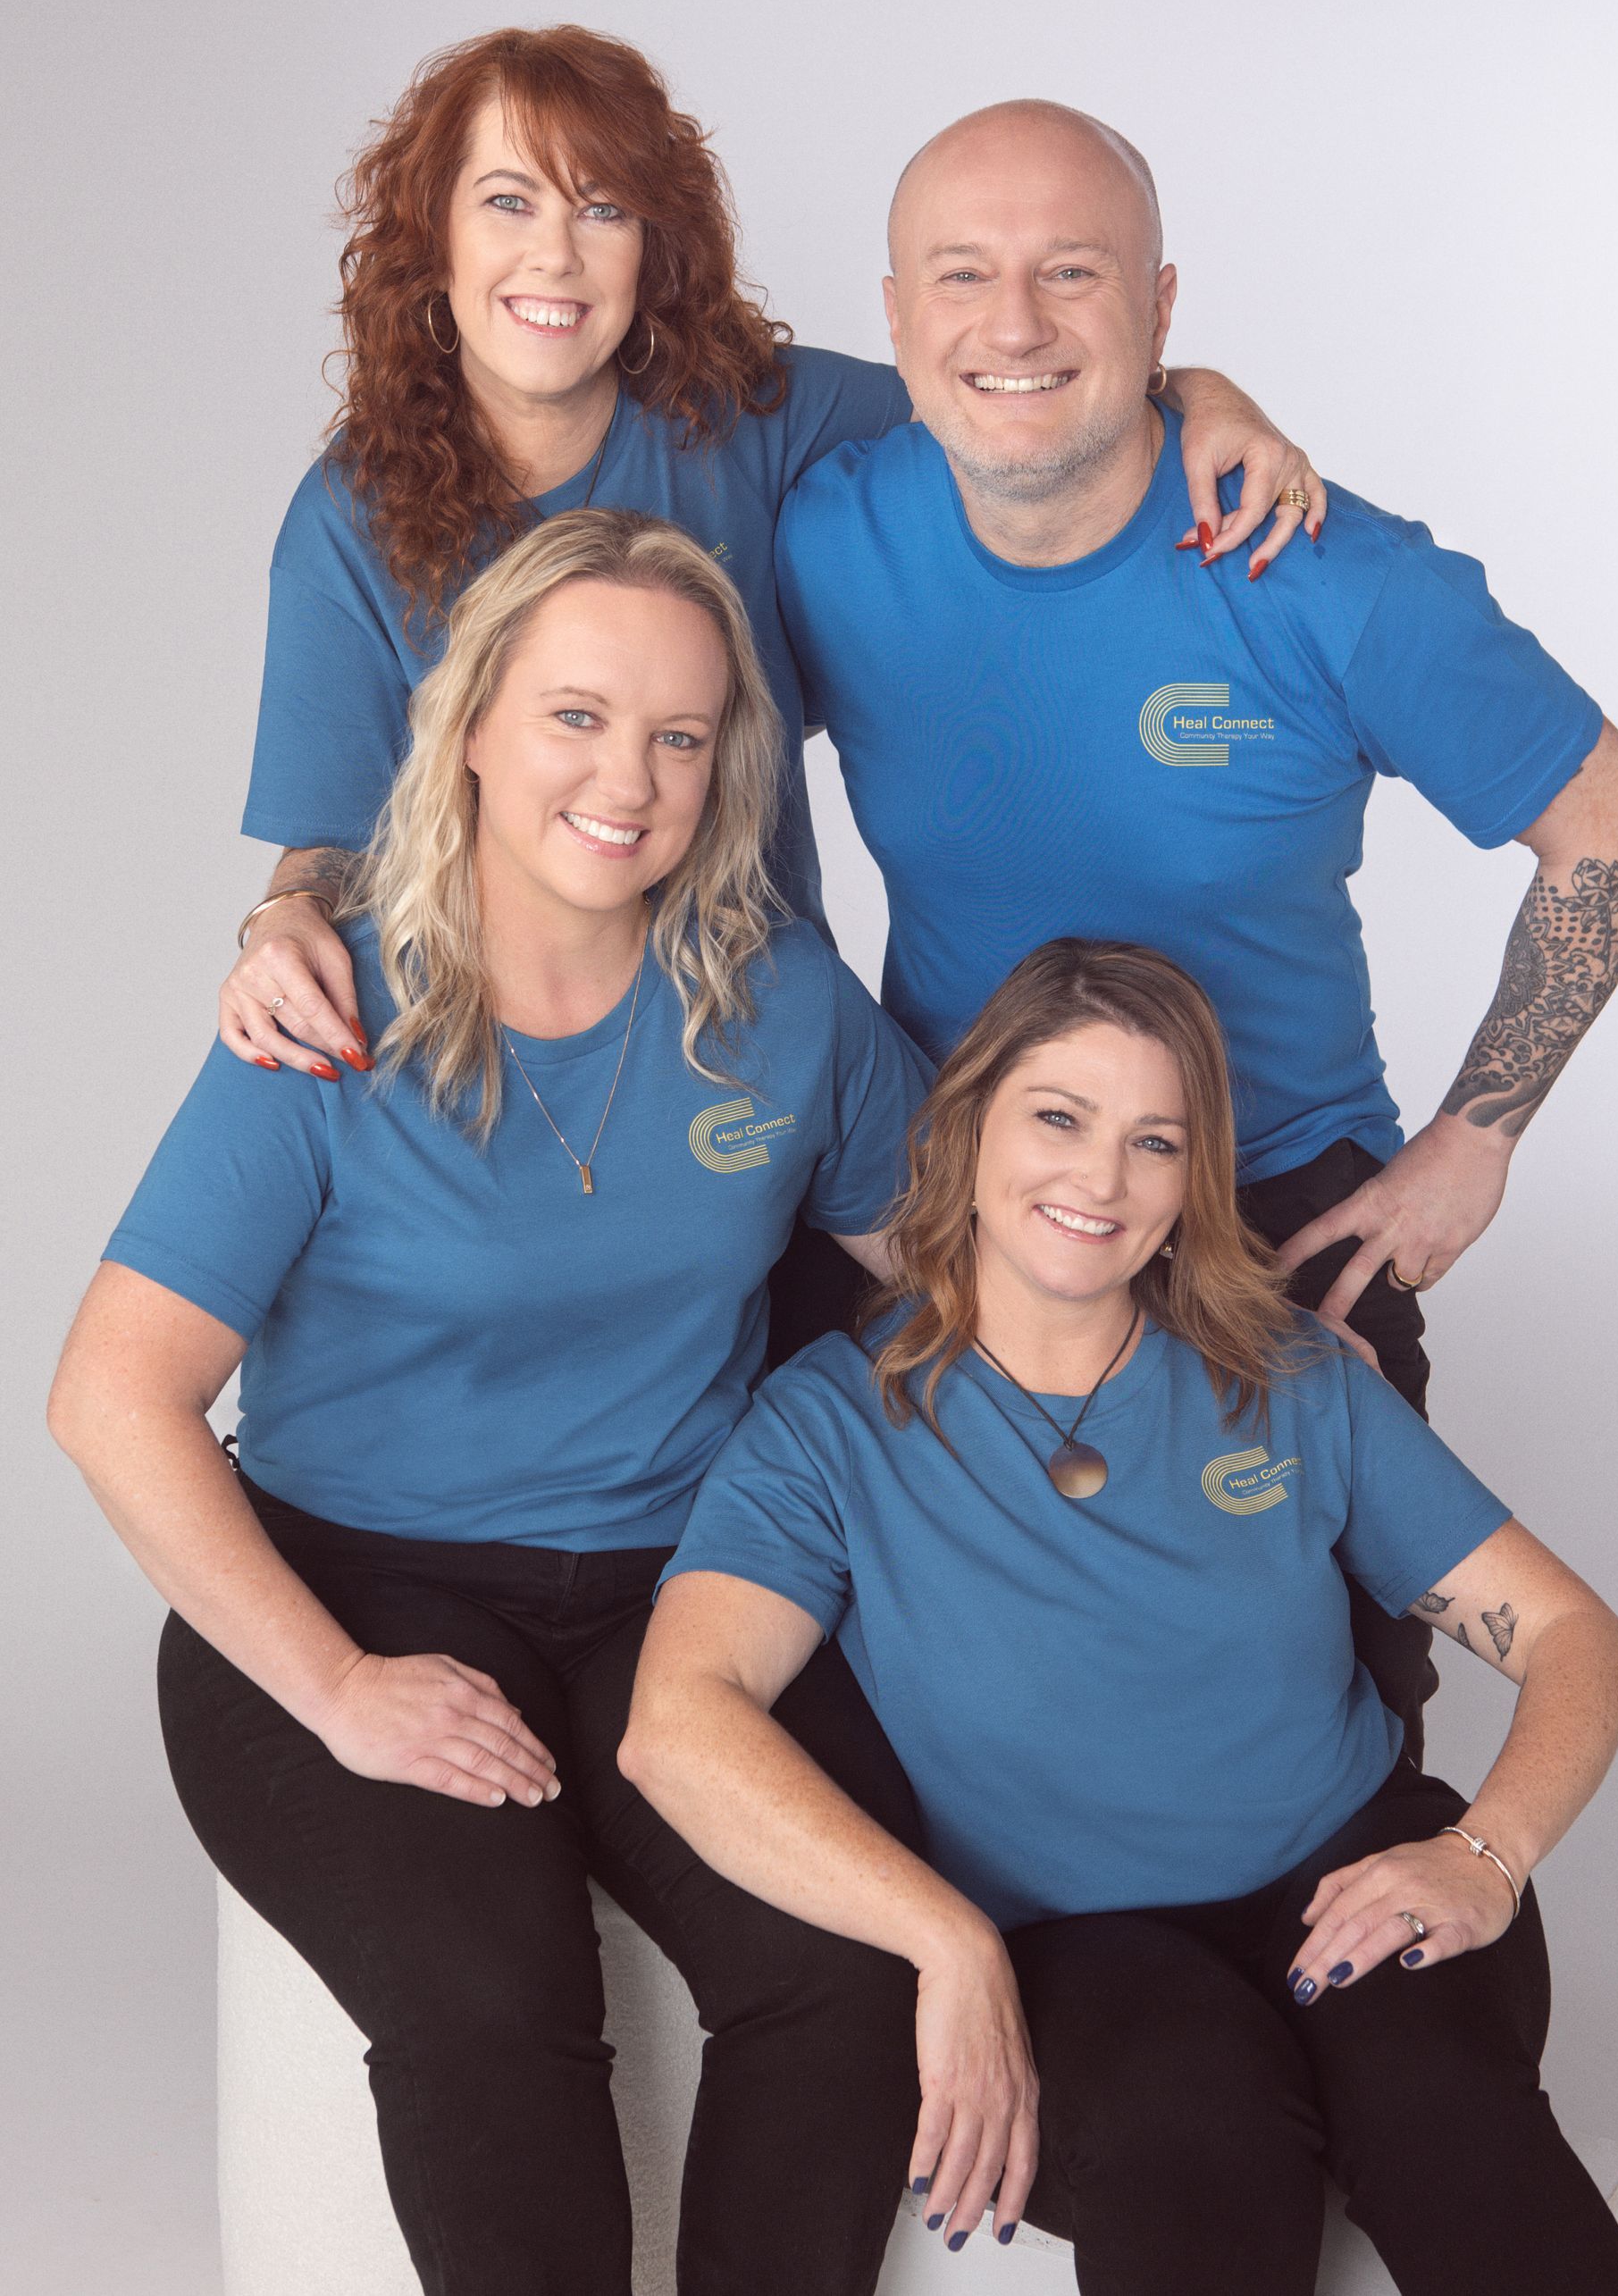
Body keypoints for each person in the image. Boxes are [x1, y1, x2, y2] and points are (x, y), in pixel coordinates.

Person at [48, 512, 937, 2296]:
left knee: (848, 1964)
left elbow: (970, 1280)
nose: (632, 776)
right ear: (469, 725)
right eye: (579, 718)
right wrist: (342, 1687)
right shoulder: (324, 1006)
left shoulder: (784, 1010)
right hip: (347, 1581)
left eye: (683, 737)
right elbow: (112, 1392)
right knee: (494, 1996)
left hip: (668, 1588)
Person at [772, 96, 1618, 1749]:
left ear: (1166, 305)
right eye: (962, 276)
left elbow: (1613, 825)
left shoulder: (1323, 571)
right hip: (949, 1198)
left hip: (1273, 1208)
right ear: (894, 318)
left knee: (1313, 1715)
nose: (1017, 323)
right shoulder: (825, 535)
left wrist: (1476, 1139)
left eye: (1076, 272)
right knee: (913, 1708)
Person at [622, 939, 1618, 2296]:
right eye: (1058, 1117)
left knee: (1446, 2112)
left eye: (1154, 1142)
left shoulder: (1285, 1377)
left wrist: (1484, 1852)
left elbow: (1583, 1639)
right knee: (1201, 2142)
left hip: (1351, 1867)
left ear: (1192, 1179)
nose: (1100, 1180)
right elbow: (676, 1727)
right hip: (1078, 1950)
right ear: (966, 1126)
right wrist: (947, 1937)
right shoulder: (830, 1420)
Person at [218, 25, 1312, 1085]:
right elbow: (330, 838)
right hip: (501, 1072)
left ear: (653, 248)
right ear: (433, 238)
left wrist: (1202, 391)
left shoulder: (751, 417)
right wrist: (283, 918)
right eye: (509, 201)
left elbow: (1010, 389)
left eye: (603, 209)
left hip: (762, 1056)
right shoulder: (349, 517)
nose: (554, 253)